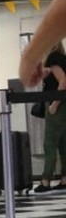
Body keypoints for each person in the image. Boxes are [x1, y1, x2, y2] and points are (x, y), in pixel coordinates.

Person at [34, 43, 66, 192]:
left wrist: (54, 104)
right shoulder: (62, 58)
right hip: (64, 105)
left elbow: (63, 80)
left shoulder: (53, 58)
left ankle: (46, 180)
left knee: (50, 142)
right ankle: (64, 178)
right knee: (63, 144)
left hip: (57, 105)